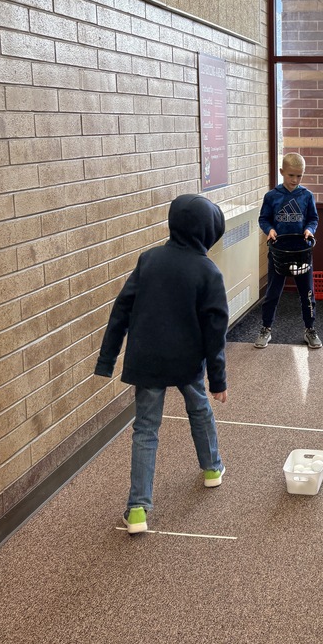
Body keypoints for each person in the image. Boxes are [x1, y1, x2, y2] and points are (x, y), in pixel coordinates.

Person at [94, 194, 229, 535]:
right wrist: (218, 380)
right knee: (199, 410)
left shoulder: (149, 260)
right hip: (187, 362)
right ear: (207, 232)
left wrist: (107, 360)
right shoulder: (208, 270)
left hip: (148, 360)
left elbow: (120, 310)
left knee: (146, 429)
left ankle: (137, 509)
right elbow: (216, 330)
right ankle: (212, 469)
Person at [254, 152, 322, 350]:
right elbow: (264, 219)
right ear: (282, 172)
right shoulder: (272, 196)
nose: (295, 180)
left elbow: (313, 219)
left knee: (307, 294)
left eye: (299, 176)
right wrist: (270, 230)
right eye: (291, 175)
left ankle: (309, 329)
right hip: (279, 253)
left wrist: (310, 230)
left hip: (302, 253)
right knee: (272, 293)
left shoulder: (307, 196)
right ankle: (266, 328)